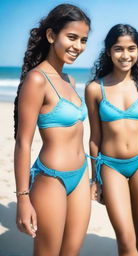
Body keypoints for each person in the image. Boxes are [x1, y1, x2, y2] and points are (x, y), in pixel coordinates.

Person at [13, 4, 91, 255]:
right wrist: (23, 199)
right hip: (51, 178)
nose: (77, 46)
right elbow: (23, 143)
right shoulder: (37, 80)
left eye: (83, 40)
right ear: (50, 36)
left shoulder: (70, 80)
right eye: (71, 37)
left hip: (80, 176)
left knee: (72, 252)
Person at [85, 24, 138, 256]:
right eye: (118, 49)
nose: (125, 55)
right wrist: (95, 177)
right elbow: (94, 137)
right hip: (111, 166)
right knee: (126, 239)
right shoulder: (95, 89)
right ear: (108, 51)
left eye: (131, 49)